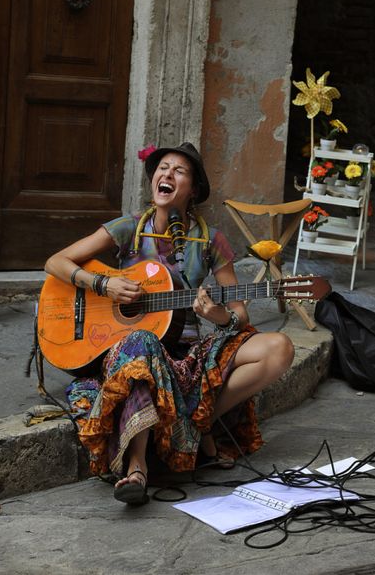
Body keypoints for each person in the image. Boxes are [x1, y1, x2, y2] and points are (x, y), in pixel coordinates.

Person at [44, 142, 294, 505]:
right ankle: (137, 465)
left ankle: (196, 421)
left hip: (186, 355)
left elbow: (241, 316)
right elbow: (56, 262)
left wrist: (217, 315)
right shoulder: (129, 227)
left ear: (192, 190)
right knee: (143, 341)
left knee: (279, 347)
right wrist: (103, 283)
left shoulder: (209, 239)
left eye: (179, 171)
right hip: (129, 352)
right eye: (162, 168)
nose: (167, 174)